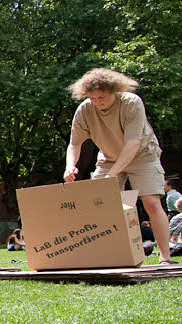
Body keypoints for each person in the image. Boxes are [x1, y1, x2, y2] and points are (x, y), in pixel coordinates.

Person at [64, 68, 175, 264]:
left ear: (114, 91)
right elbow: (74, 143)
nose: (97, 102)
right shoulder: (84, 109)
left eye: (102, 97)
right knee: (96, 203)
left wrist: (112, 176)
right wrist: (70, 167)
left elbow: (133, 144)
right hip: (109, 157)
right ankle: (105, 255)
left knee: (150, 202)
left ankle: (165, 257)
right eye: (92, 98)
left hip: (142, 154)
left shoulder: (131, 102)